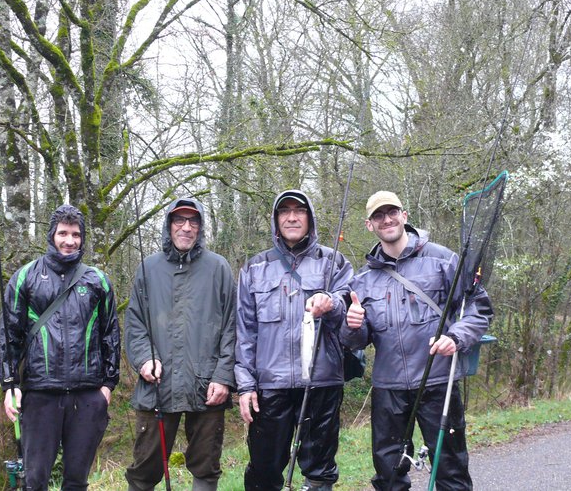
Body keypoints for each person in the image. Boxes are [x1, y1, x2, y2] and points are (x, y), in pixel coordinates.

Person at [342, 191, 493, 491]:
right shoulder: (362, 280)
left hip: (438, 382)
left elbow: (479, 308)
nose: (387, 219)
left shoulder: (443, 259)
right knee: (388, 475)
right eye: (378, 216)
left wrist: (456, 337)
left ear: (404, 215)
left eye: (392, 212)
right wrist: (352, 325)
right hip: (389, 389)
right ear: (369, 225)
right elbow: (356, 341)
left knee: (450, 470)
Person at [235, 190, 353, 491]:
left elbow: (350, 310)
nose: (291, 217)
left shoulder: (334, 262)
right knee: (263, 470)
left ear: (309, 218)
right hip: (270, 386)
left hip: (322, 382)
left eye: (299, 210)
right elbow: (245, 332)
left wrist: (331, 303)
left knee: (319, 471)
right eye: (284, 211)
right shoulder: (254, 268)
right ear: (275, 220)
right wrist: (246, 385)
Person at [0, 204, 121, 491]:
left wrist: (107, 386)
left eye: (76, 234)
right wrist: (9, 384)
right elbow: (9, 335)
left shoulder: (97, 280)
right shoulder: (25, 277)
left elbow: (110, 334)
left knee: (76, 481)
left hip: (88, 394)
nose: (69, 241)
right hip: (40, 394)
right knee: (35, 480)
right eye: (63, 233)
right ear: (52, 235)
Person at [125, 198, 237, 491]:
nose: (186, 227)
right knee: (143, 469)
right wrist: (143, 359)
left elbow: (232, 327)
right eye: (179, 220)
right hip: (157, 385)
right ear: (169, 225)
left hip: (208, 385)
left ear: (200, 227)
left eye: (193, 221)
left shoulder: (219, 268)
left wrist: (224, 377)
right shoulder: (148, 268)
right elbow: (135, 324)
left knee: (206, 464)